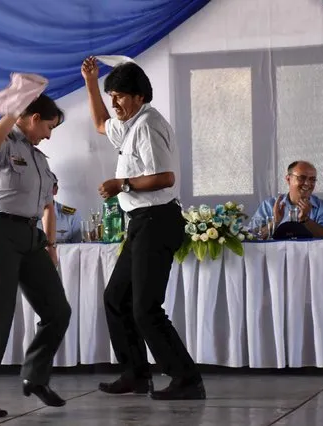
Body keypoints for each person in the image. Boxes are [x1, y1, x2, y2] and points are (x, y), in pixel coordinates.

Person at [81, 56, 205, 400]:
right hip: (141, 223)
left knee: (145, 307)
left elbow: (165, 177)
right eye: (112, 95)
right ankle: (136, 373)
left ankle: (187, 379)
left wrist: (122, 184)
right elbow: (101, 123)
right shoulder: (131, 122)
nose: (114, 103)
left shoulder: (149, 125)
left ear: (139, 96)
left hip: (157, 220)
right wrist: (91, 81)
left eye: (120, 95)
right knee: (116, 298)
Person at [0, 93, 71, 418]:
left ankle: (35, 375)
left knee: (57, 310)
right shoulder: (6, 143)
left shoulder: (39, 159)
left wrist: (51, 246)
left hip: (31, 236)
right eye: (49, 127)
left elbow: (48, 207)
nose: (49, 135)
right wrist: (16, 104)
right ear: (33, 117)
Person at [252, 161, 323, 238]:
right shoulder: (269, 206)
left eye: (312, 179)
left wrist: (306, 220)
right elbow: (252, 237)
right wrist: (275, 221)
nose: (307, 183)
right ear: (288, 179)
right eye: (302, 178)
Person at [37, 174, 81, 244]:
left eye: (47, 188)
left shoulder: (71, 215)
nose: (41, 192)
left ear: (55, 190)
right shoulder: (25, 215)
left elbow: (79, 246)